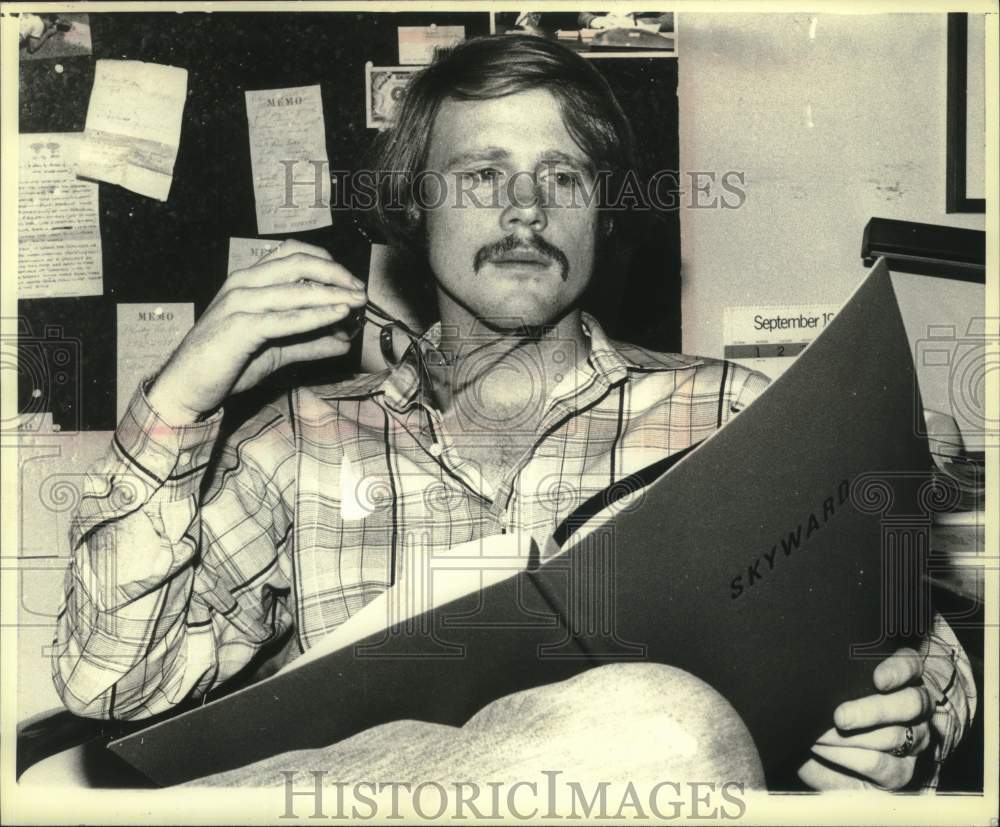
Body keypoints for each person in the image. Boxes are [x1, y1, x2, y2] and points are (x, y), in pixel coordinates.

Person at [52, 35, 974, 791]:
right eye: (484, 177)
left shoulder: (730, 414)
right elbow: (113, 685)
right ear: (416, 204)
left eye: (564, 177)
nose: (527, 211)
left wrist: (909, 719)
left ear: (605, 209)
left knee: (667, 729)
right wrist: (179, 398)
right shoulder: (298, 445)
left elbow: (914, 642)